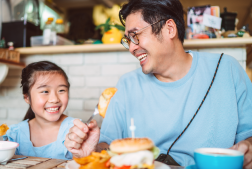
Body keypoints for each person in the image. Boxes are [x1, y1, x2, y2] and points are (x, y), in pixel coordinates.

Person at [64, 0, 252, 167]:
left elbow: (248, 135)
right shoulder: (127, 84)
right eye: (127, 40)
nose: (131, 48)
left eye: (135, 35)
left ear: (169, 29)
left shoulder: (227, 69)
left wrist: (249, 146)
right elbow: (108, 147)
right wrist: (92, 150)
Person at [0, 61, 75, 160]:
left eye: (61, 90)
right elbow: (0, 162)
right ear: (27, 97)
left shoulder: (76, 131)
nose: (55, 99)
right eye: (45, 91)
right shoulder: (15, 134)